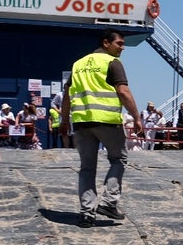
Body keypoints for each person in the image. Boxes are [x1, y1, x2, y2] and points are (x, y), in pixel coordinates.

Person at [61, 28, 144, 227]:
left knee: (87, 168)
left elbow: (67, 96)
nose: (122, 48)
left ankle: (87, 213)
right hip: (107, 121)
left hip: (82, 123)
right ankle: (108, 202)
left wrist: (65, 121)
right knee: (119, 159)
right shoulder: (112, 63)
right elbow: (123, 92)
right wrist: (136, 117)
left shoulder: (78, 64)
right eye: (119, 44)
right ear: (106, 43)